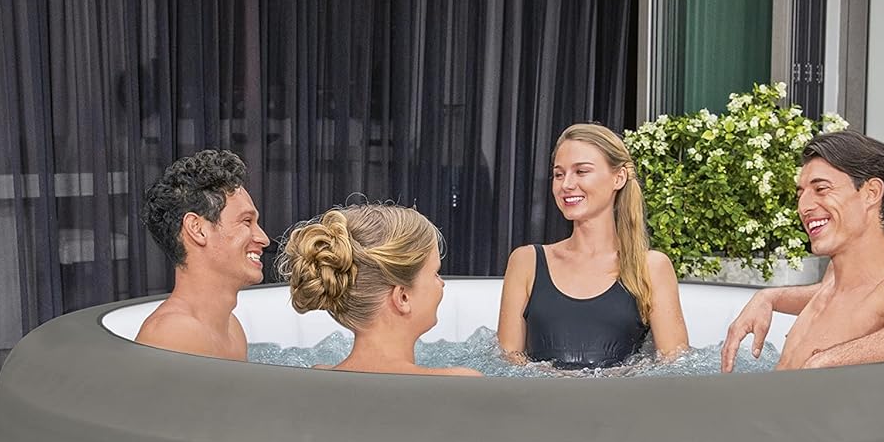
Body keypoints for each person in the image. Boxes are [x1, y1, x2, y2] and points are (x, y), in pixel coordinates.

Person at [720, 131, 884, 372]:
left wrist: (827, 360)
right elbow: (831, 296)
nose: (803, 207)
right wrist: (768, 298)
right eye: (801, 194)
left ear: (871, 193)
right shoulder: (837, 276)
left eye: (821, 189)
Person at [497, 123, 689, 368]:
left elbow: (675, 367)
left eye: (581, 171)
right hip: (541, 394)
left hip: (617, 394)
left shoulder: (651, 267)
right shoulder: (526, 262)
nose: (566, 185)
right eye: (559, 174)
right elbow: (507, 363)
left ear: (618, 177)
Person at [277, 204, 480, 377]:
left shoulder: (317, 376)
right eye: (435, 273)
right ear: (403, 297)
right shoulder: (460, 382)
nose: (442, 283)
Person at [134, 150, 270, 359]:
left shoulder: (232, 328)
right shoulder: (172, 335)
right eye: (246, 222)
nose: (264, 239)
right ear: (197, 229)